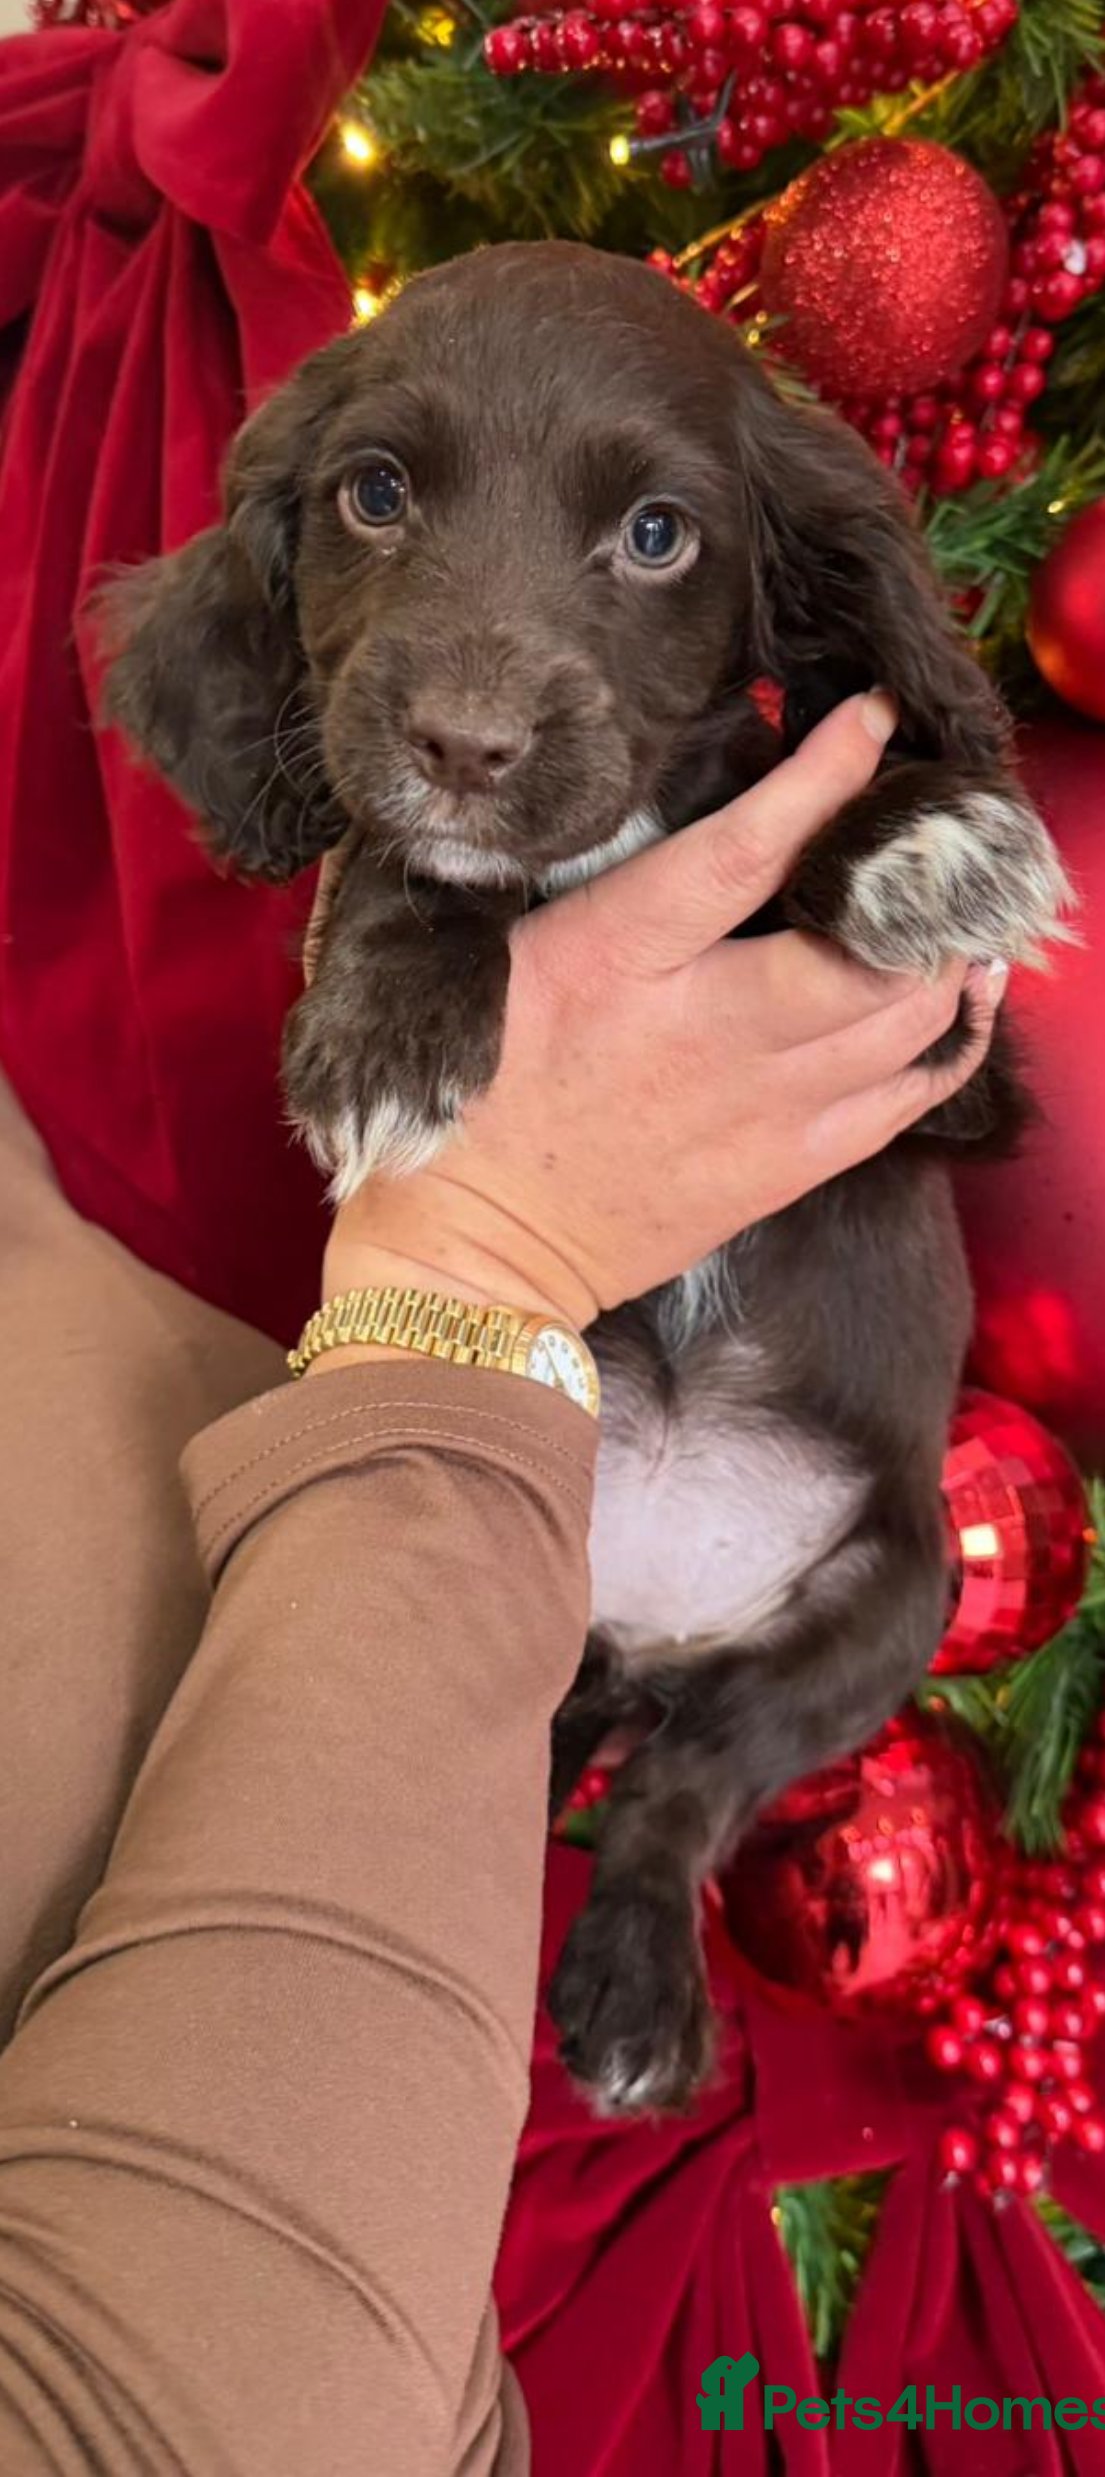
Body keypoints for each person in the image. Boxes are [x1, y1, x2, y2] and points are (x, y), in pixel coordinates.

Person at [0, 692, 1005, 2474]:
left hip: (418, 1506)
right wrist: (468, 1276)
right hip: (447, 1481)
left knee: (884, 1594)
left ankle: (647, 1808)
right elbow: (205, 2422)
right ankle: (661, 1836)